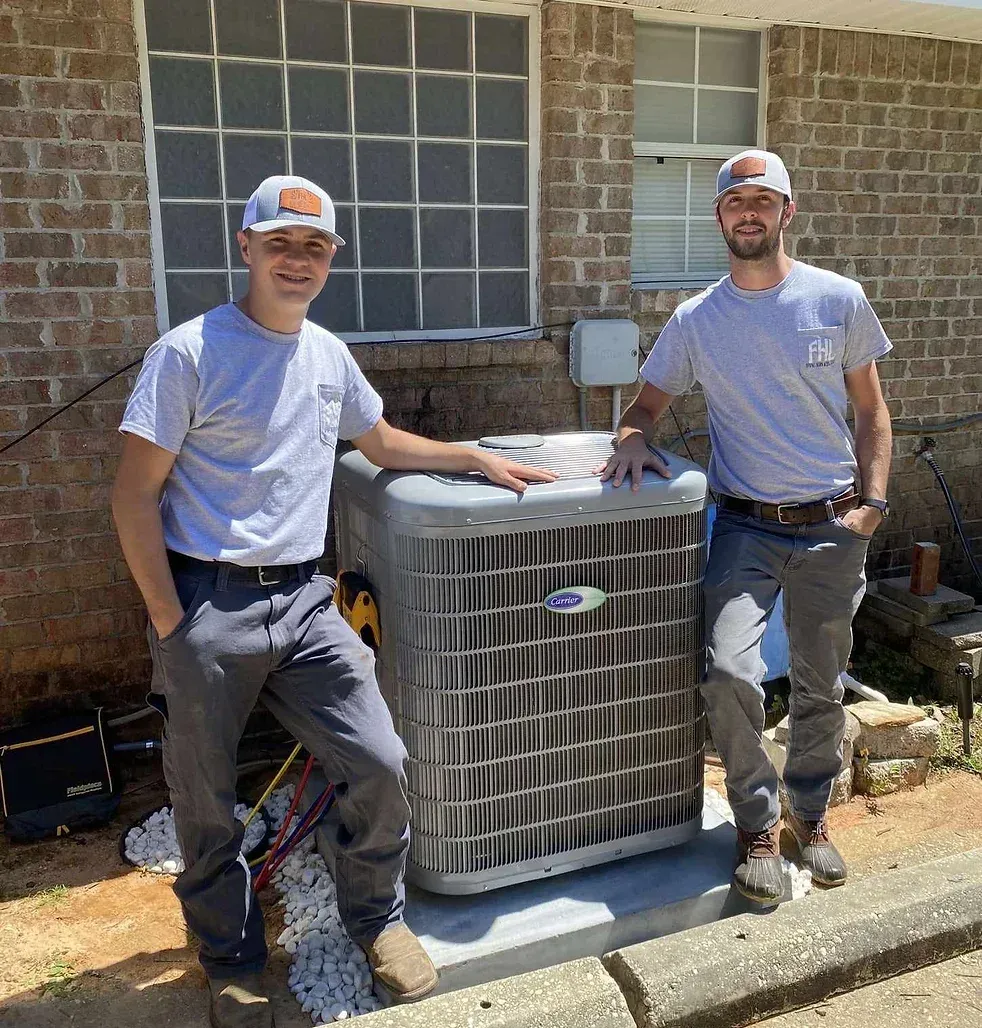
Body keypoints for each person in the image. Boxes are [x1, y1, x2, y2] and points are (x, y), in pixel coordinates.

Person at [111, 174, 556, 1028]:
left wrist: (469, 455)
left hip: (306, 601)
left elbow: (380, 441)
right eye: (281, 242)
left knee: (379, 761)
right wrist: (173, 623)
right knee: (205, 800)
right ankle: (234, 963)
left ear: (331, 262)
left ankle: (375, 920)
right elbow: (133, 498)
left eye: (315, 247)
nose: (298, 260)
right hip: (209, 603)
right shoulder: (190, 354)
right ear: (246, 248)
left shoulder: (326, 353)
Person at [601, 149, 893, 903]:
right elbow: (643, 408)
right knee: (729, 669)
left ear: (787, 213)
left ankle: (813, 814)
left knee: (820, 683)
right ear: (720, 219)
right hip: (745, 526)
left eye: (765, 201)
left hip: (833, 524)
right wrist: (633, 438)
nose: (750, 213)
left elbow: (872, 410)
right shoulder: (698, 321)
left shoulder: (838, 300)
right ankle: (756, 822)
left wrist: (873, 505)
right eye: (737, 203)